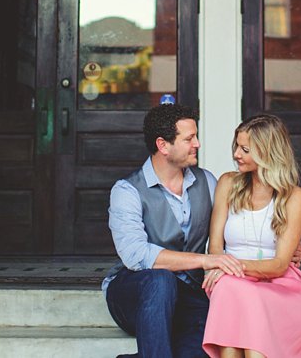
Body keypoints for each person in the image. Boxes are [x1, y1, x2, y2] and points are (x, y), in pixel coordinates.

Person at [201, 114, 301, 358]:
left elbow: (280, 265)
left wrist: (229, 265)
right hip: (230, 281)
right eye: (236, 146)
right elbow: (215, 245)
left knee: (239, 300)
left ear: (267, 152)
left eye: (245, 149)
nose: (237, 154)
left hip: (277, 283)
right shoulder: (227, 183)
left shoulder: (294, 196)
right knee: (231, 290)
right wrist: (222, 266)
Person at [104, 104, 246, 358]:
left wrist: (285, 241)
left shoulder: (207, 181)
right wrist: (206, 259)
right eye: (189, 138)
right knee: (161, 279)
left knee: (206, 351)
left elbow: (237, 223)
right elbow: (136, 255)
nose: (198, 144)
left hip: (189, 295)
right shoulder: (127, 191)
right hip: (134, 295)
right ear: (163, 145)